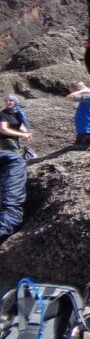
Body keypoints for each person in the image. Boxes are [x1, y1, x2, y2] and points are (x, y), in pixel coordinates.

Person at [0, 97, 31, 243]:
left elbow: (22, 126)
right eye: (7, 101)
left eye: (11, 101)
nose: (9, 103)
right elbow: (4, 129)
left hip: (11, 158)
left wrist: (26, 132)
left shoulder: (17, 113)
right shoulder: (4, 114)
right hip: (8, 145)